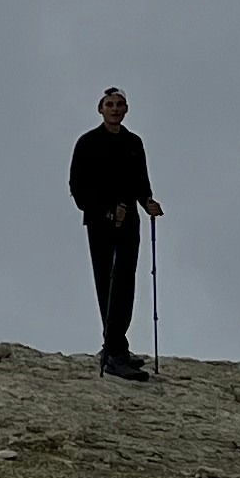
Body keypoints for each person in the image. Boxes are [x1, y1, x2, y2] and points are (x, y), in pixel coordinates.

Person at [69, 86, 162, 377]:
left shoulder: (133, 142)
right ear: (101, 108)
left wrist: (147, 201)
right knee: (107, 282)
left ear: (126, 109)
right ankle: (113, 352)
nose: (115, 109)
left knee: (125, 281)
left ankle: (117, 346)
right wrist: (106, 210)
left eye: (120, 104)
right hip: (100, 222)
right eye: (110, 104)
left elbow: (140, 180)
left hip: (130, 221)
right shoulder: (88, 142)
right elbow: (78, 186)